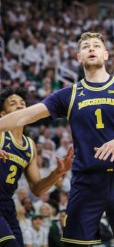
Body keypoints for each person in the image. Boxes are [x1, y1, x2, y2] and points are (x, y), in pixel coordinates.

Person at [0, 32, 114, 246]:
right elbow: (26, 115)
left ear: (106, 54)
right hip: (86, 181)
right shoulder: (69, 94)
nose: (91, 49)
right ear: (78, 56)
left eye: (97, 46)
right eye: (86, 46)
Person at [0, 88, 73, 247]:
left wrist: (58, 172)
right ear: (3, 115)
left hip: (7, 205)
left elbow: (37, 189)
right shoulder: (1, 132)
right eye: (13, 104)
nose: (20, 106)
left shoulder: (30, 145)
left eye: (22, 103)